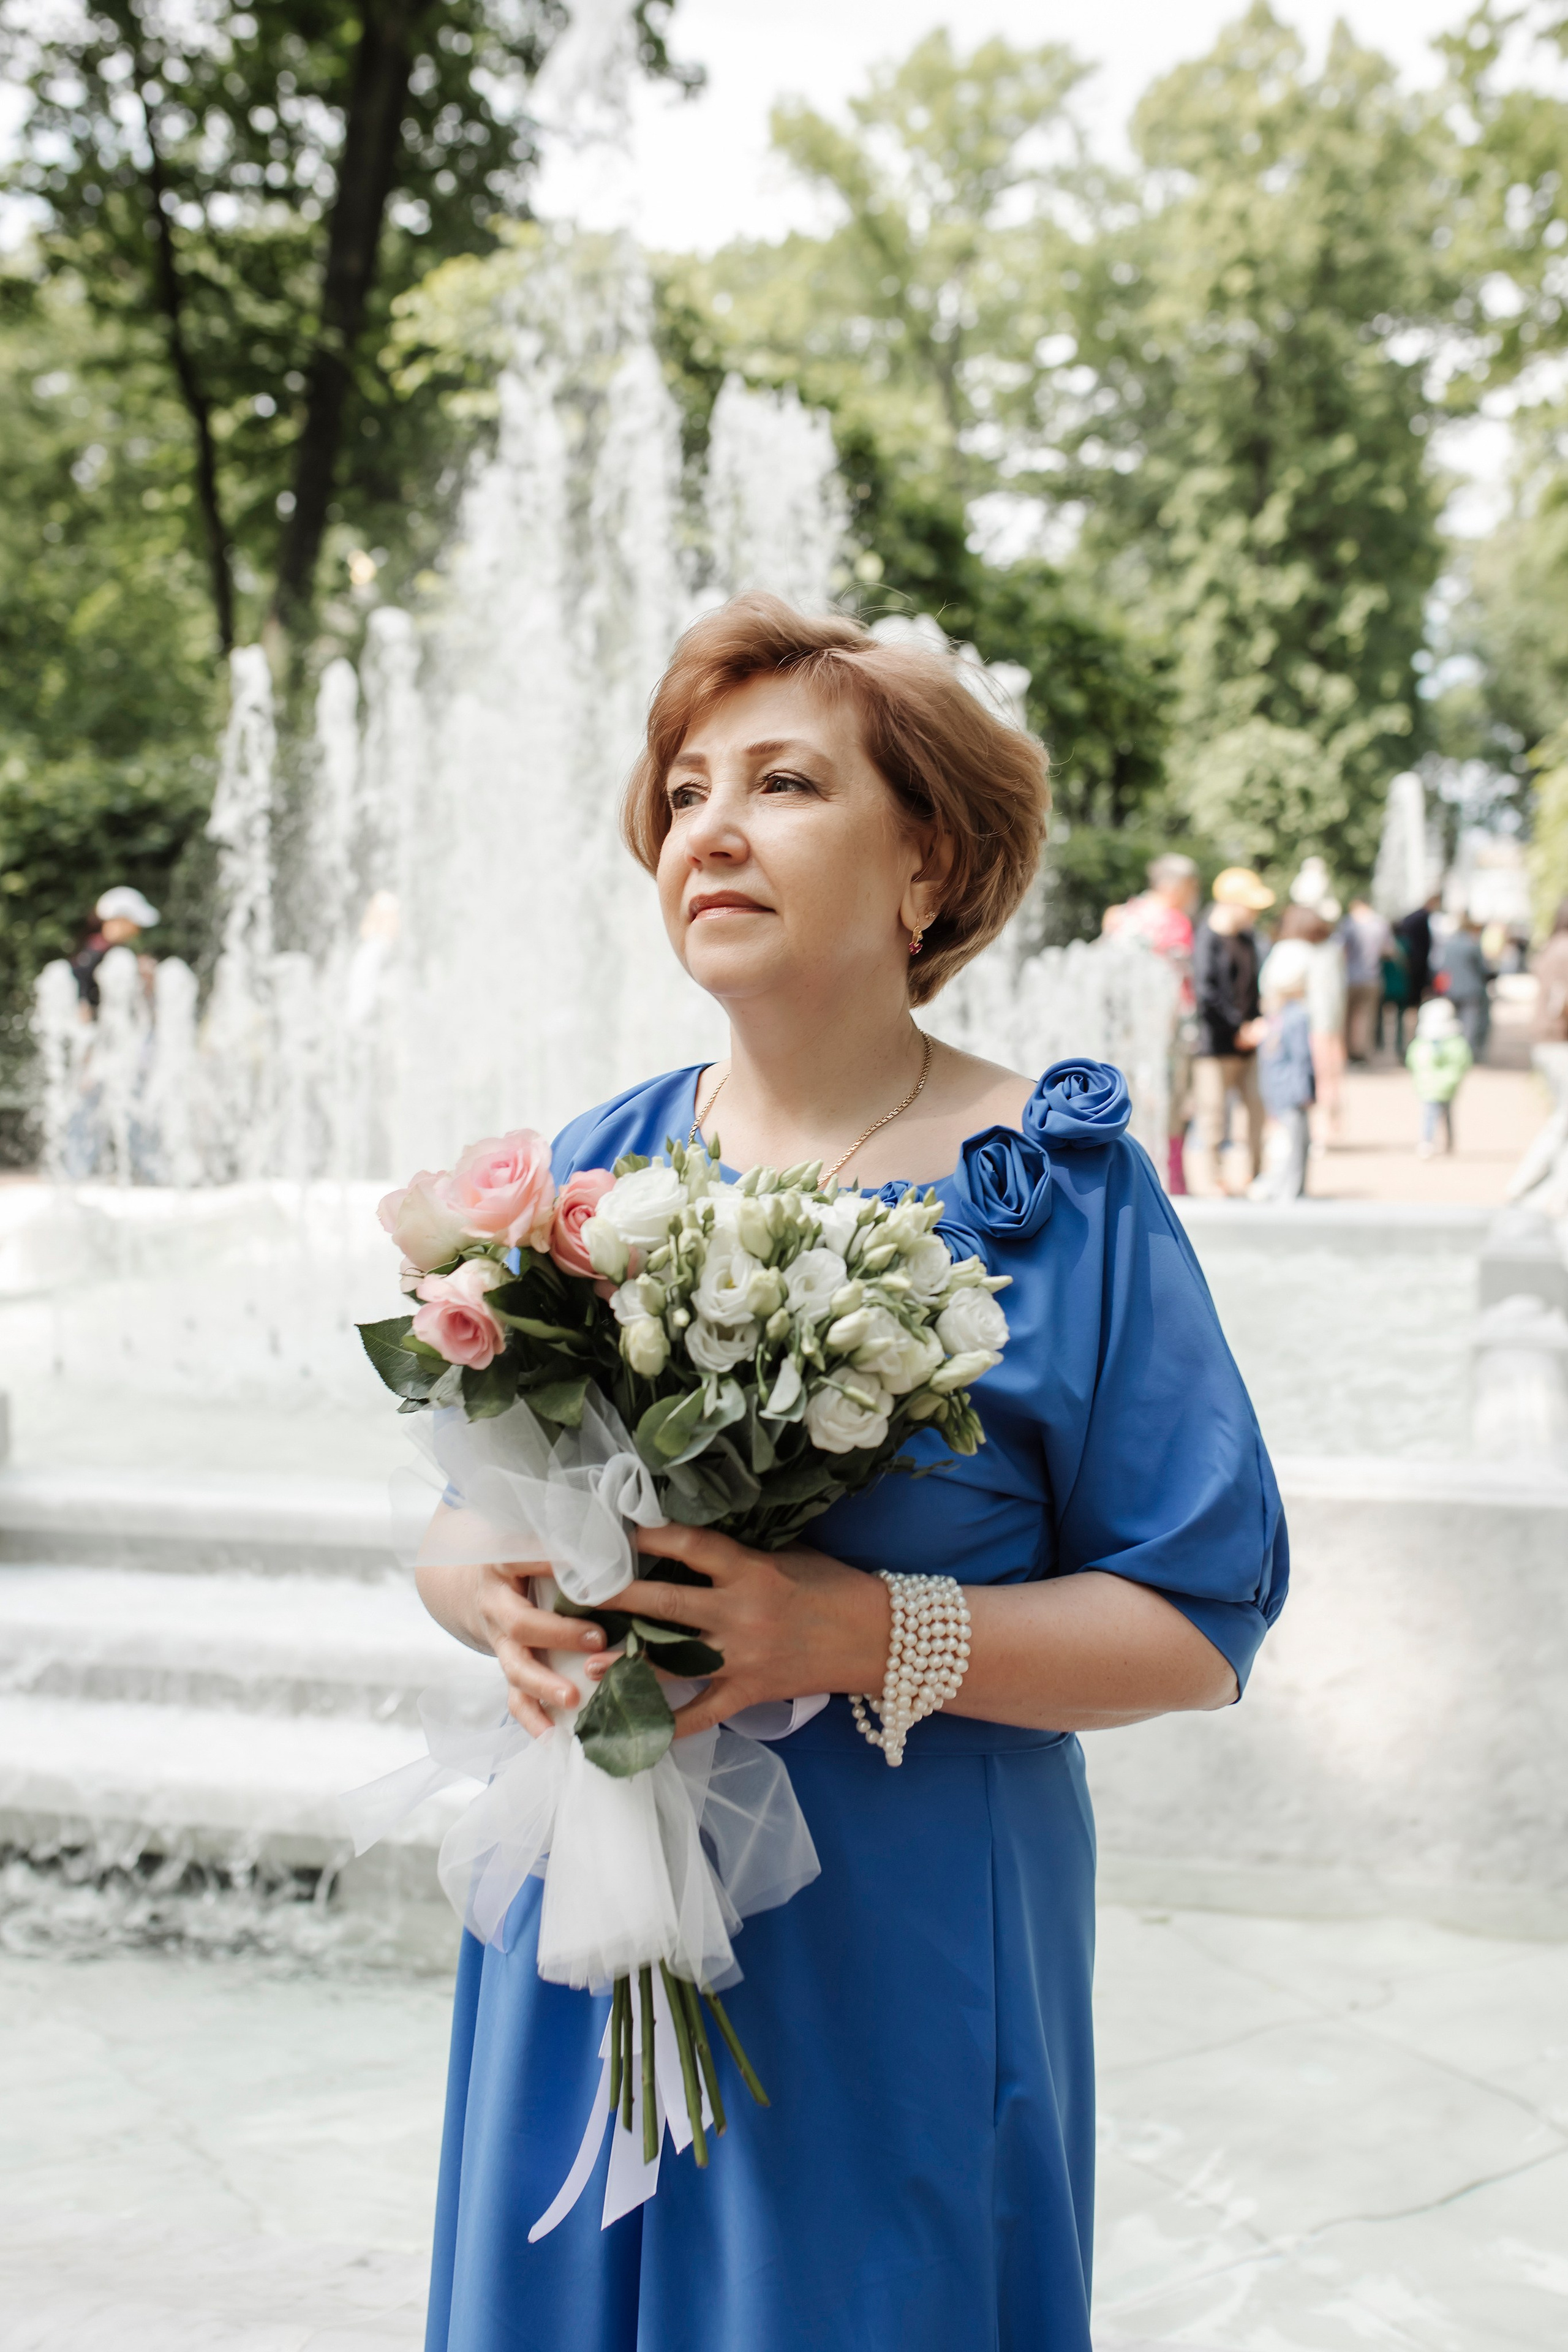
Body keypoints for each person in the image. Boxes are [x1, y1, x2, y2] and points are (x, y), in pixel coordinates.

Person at [412, 595, 1288, 2352]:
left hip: (903, 1955)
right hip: (594, 1925)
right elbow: (477, 1509)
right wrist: (482, 1594)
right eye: (684, 791)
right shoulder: (584, 1174)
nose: (708, 827)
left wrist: (861, 1631)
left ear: (926, 867)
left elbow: (1197, 1625)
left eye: (786, 783)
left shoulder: (1063, 1192)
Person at [1101, 851, 1200, 1194]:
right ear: (1176, 886)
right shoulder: (1174, 922)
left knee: (1134, 1097)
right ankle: (1172, 1178)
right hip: (1167, 1032)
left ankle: (1133, 1178)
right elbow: (1182, 986)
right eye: (1191, 886)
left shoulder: (1123, 915)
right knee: (1170, 1101)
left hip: (1126, 1030)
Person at [1189, 865, 1273, 1196]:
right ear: (1232, 903)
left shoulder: (1249, 938)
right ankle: (1212, 1182)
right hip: (1215, 1044)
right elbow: (1206, 993)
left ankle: (1257, 1175)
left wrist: (1254, 1022)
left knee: (1257, 1108)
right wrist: (1237, 1027)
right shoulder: (1207, 938)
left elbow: (1253, 986)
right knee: (1212, 1116)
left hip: (1248, 1041)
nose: (1254, 913)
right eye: (1250, 906)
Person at [1252, 940, 1315, 1199]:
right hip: (1294, 1091)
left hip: (1277, 1089)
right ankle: (1292, 1191)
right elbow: (1302, 1058)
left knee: (1285, 1143)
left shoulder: (1274, 1017)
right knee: (1298, 1145)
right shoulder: (1297, 1016)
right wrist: (1307, 1092)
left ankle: (1284, 1189)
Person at [1406, 995, 1472, 1157]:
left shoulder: (1421, 1044)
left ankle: (1428, 1141)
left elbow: (1411, 1060)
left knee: (1429, 1115)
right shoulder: (1456, 1043)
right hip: (1448, 1086)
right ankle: (1449, 1141)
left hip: (1427, 1086)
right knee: (1447, 1114)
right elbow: (1464, 1061)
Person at [1437, 912, 1493, 1061]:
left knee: (1455, 1023)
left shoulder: (1448, 946)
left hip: (1452, 990)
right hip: (1472, 991)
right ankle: (1465, 1055)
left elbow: (1442, 968)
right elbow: (1483, 969)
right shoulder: (1472, 946)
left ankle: (1454, 1051)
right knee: (1470, 1024)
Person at [1342, 897, 1391, 1063]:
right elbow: (1388, 950)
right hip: (1372, 977)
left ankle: (1349, 1051)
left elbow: (1340, 949)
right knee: (1367, 1018)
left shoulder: (1348, 924)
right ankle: (1362, 1051)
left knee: (1348, 1016)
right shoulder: (1380, 924)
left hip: (1350, 977)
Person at [1393, 892, 1442, 1009]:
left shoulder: (1415, 917)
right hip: (1417, 963)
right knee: (1413, 1001)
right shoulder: (1421, 918)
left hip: (1414, 961)